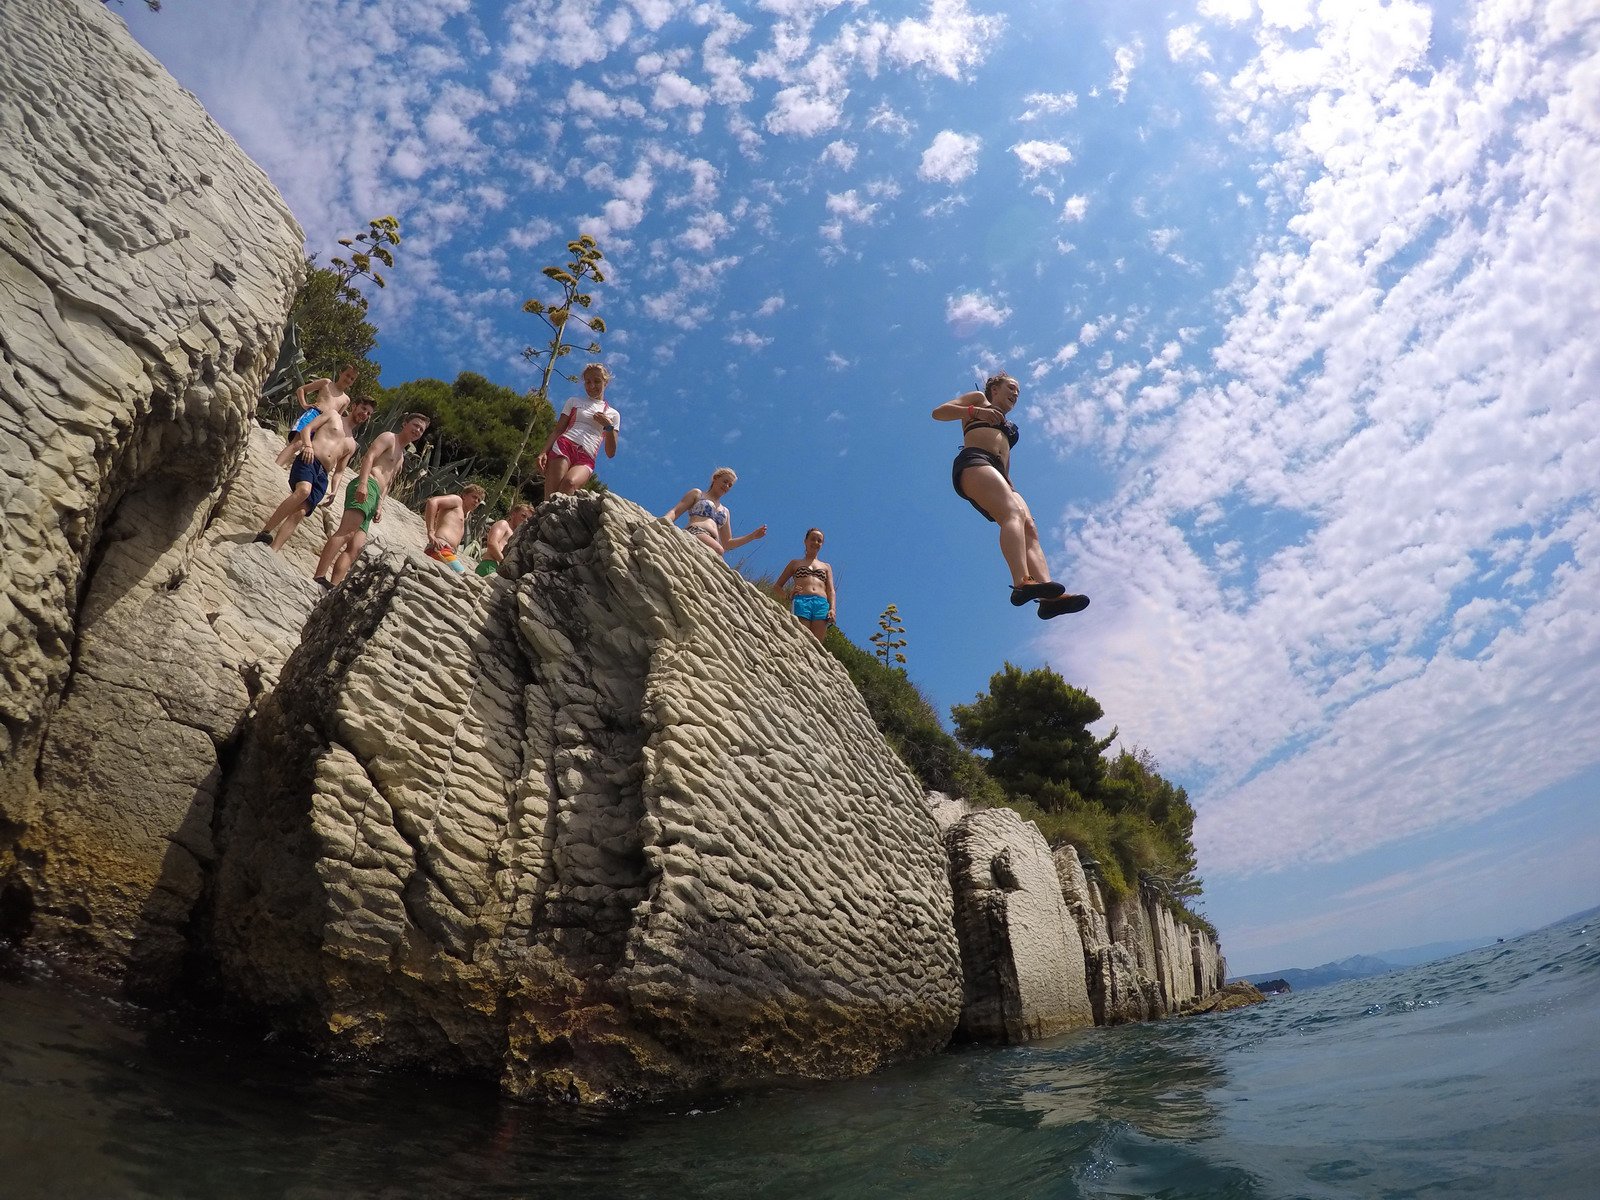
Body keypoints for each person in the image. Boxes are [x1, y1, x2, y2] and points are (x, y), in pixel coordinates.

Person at [932, 370, 1089, 619]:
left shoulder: (1009, 425)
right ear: (995, 389)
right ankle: (1021, 582)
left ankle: (1049, 596)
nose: (1015, 394)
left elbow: (1004, 455)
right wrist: (974, 412)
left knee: (1029, 528)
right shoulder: (978, 400)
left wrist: (1009, 483)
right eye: (1011, 388)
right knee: (1011, 514)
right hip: (974, 461)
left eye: (1018, 391)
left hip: (998, 472)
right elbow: (939, 412)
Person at [312, 411, 431, 588]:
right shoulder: (389, 438)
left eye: (421, 429)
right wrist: (363, 483)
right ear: (405, 423)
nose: (418, 430)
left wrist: (380, 505)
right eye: (415, 425)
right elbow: (369, 457)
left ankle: (333, 584)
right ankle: (319, 575)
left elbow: (388, 483)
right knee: (346, 532)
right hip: (367, 485)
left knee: (355, 547)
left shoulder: (401, 457)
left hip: (375, 496)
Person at [254, 397, 374, 551]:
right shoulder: (333, 415)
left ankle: (274, 549)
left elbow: (339, 470)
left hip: (323, 475)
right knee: (303, 490)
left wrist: (335, 490)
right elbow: (307, 429)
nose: (365, 414)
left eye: (369, 414)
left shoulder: (352, 444)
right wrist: (308, 446)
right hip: (309, 459)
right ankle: (265, 531)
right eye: (363, 409)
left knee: (300, 513)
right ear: (355, 406)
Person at [537, 363, 618, 496]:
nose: (592, 386)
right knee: (551, 497)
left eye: (597, 381)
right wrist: (543, 452)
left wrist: (608, 426)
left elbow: (610, 452)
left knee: (570, 483)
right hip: (564, 446)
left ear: (606, 382)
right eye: (588, 382)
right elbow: (558, 430)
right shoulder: (574, 401)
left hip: (587, 456)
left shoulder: (613, 414)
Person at [661, 467, 767, 556]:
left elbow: (727, 543)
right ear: (715, 478)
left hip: (713, 543)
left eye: (730, 485)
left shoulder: (725, 511)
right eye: (725, 481)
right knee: (719, 550)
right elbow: (675, 511)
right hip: (696, 531)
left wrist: (752, 536)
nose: (726, 486)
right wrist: (663, 523)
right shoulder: (698, 494)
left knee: (719, 552)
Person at [276, 364, 358, 467]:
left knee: (313, 449)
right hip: (314, 414)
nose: (348, 379)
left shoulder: (346, 400)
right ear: (341, 373)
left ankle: (287, 465)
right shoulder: (327, 383)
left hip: (325, 424)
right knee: (298, 442)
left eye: (352, 379)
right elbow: (301, 389)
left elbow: (337, 417)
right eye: (347, 375)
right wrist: (305, 405)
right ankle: (276, 465)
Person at [775, 527, 836, 642]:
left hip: (821, 603)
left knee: (817, 643)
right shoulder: (795, 563)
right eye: (813, 539)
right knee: (802, 639)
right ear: (805, 541)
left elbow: (831, 590)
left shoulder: (826, 566)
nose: (816, 543)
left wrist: (832, 609)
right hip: (802, 601)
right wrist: (788, 596)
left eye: (819, 541)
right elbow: (777, 586)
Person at [422, 485, 486, 573]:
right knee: (462, 576)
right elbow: (432, 502)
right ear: (464, 495)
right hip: (440, 548)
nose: (476, 501)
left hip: (447, 552)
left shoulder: (466, 516)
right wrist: (431, 532)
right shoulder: (457, 501)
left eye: (479, 500)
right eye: (474, 497)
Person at [477, 503, 532, 576]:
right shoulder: (504, 524)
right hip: (490, 564)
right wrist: (503, 563)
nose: (525, 520)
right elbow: (492, 543)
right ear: (513, 514)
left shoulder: (516, 535)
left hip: (499, 570)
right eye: (523, 516)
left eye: (528, 519)